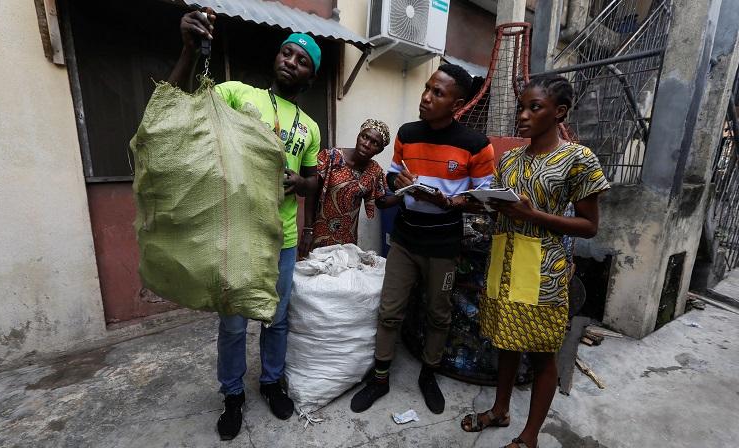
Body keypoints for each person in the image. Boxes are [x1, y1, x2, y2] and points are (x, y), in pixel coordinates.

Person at [167, 9, 322, 441]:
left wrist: (301, 181)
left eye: (302, 59)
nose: (291, 60)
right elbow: (181, 99)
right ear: (276, 59)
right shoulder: (239, 94)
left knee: (276, 319)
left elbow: (313, 181)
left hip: (284, 239)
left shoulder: (309, 127)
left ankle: (270, 383)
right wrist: (188, 49)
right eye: (286, 53)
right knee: (233, 323)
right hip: (237, 234)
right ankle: (232, 394)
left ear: (310, 75)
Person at [459, 75, 610, 448]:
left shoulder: (578, 158)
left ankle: (529, 438)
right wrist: (482, 203)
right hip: (503, 266)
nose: (522, 116)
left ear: (559, 112)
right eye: (521, 108)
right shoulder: (509, 159)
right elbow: (503, 208)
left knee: (542, 356)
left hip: (543, 275)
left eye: (534, 108)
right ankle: (500, 411)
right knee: (506, 344)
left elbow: (589, 226)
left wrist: (535, 216)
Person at [350, 64, 495, 415]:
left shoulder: (476, 145)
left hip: (444, 243)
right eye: (426, 89)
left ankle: (429, 374)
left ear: (457, 104)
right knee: (389, 311)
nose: (426, 98)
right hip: (404, 238)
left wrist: (448, 201)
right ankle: (380, 377)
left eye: (438, 93)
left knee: (438, 314)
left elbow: (484, 197)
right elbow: (395, 176)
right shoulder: (407, 133)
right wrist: (396, 185)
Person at [298, 119, 400, 257]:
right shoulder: (331, 157)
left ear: (380, 150)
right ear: (359, 136)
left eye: (375, 143)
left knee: (344, 275)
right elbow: (312, 192)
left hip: (347, 240)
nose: (367, 144)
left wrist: (405, 195)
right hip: (319, 234)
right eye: (365, 137)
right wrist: (308, 230)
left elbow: (380, 201)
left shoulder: (374, 171)